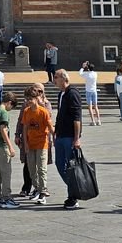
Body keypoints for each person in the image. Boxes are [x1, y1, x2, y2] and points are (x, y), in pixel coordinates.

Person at [51, 69, 84, 210]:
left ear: (64, 78)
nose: (54, 80)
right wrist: (55, 131)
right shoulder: (61, 94)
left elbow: (77, 117)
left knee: (70, 168)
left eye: (56, 77)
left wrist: (77, 138)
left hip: (70, 137)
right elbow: (60, 115)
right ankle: (75, 189)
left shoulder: (72, 93)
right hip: (60, 135)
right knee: (60, 165)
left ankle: (73, 196)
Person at [19, 84, 54, 204]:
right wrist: (25, 144)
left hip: (42, 143)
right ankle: (37, 189)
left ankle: (43, 192)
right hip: (30, 143)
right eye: (27, 99)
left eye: (30, 99)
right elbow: (24, 128)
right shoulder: (26, 111)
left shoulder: (43, 111)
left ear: (36, 98)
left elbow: (50, 127)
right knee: (31, 169)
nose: (28, 102)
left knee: (41, 168)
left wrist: (54, 138)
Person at [0, 87, 18, 208]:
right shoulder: (4, 112)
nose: (11, 109)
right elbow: (3, 129)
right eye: (12, 107)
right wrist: (10, 147)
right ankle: (7, 198)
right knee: (6, 172)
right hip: (1, 145)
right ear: (9, 103)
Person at [79, 61, 102, 126]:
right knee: (96, 106)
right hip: (94, 91)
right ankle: (99, 120)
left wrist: (83, 67)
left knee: (90, 107)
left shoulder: (86, 74)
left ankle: (93, 121)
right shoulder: (95, 74)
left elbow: (80, 73)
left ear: (88, 68)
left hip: (88, 91)